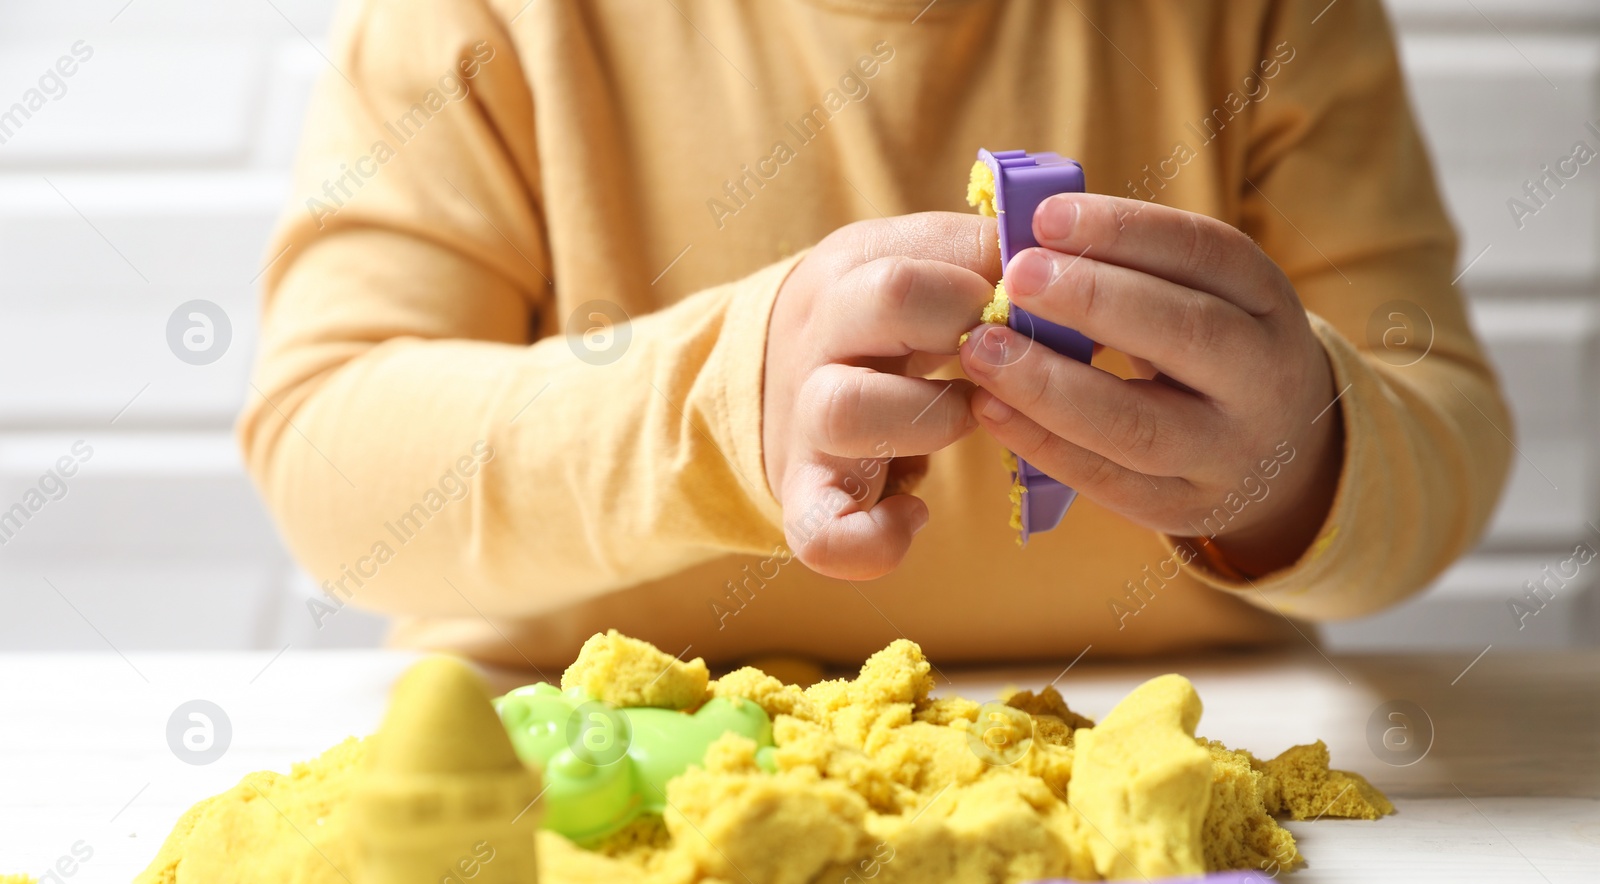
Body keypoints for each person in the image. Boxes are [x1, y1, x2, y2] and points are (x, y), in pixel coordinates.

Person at [239, 0, 1511, 670]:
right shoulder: (483, 14)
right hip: (568, 790)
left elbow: (1439, 413)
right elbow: (331, 454)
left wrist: (1303, 460)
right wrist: (713, 398)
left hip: (1170, 795)